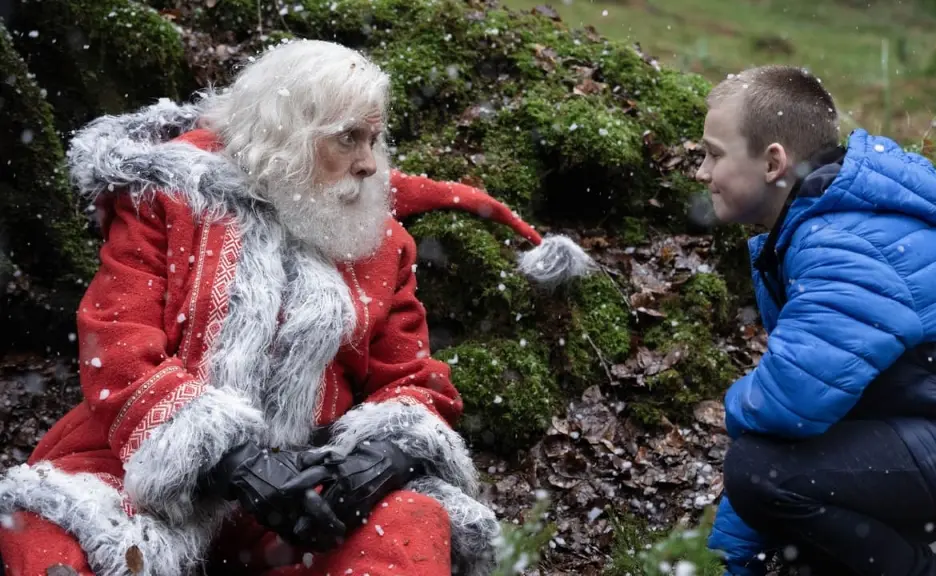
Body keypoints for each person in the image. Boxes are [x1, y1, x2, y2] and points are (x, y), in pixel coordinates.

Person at [0, 39, 596, 576]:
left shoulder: (380, 242)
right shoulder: (168, 200)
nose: (368, 162)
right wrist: (231, 460)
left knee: (409, 524)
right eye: (347, 138)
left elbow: (411, 381)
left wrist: (375, 461)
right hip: (140, 468)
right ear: (285, 134)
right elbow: (117, 347)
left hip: (303, 492)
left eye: (374, 139)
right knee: (54, 537)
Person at [697, 65, 936, 576]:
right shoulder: (826, 220)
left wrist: (732, 405)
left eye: (715, 154)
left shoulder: (838, 241)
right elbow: (812, 415)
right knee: (787, 493)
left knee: (764, 474)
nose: (701, 171)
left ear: (772, 163)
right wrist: (736, 562)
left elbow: (789, 405)